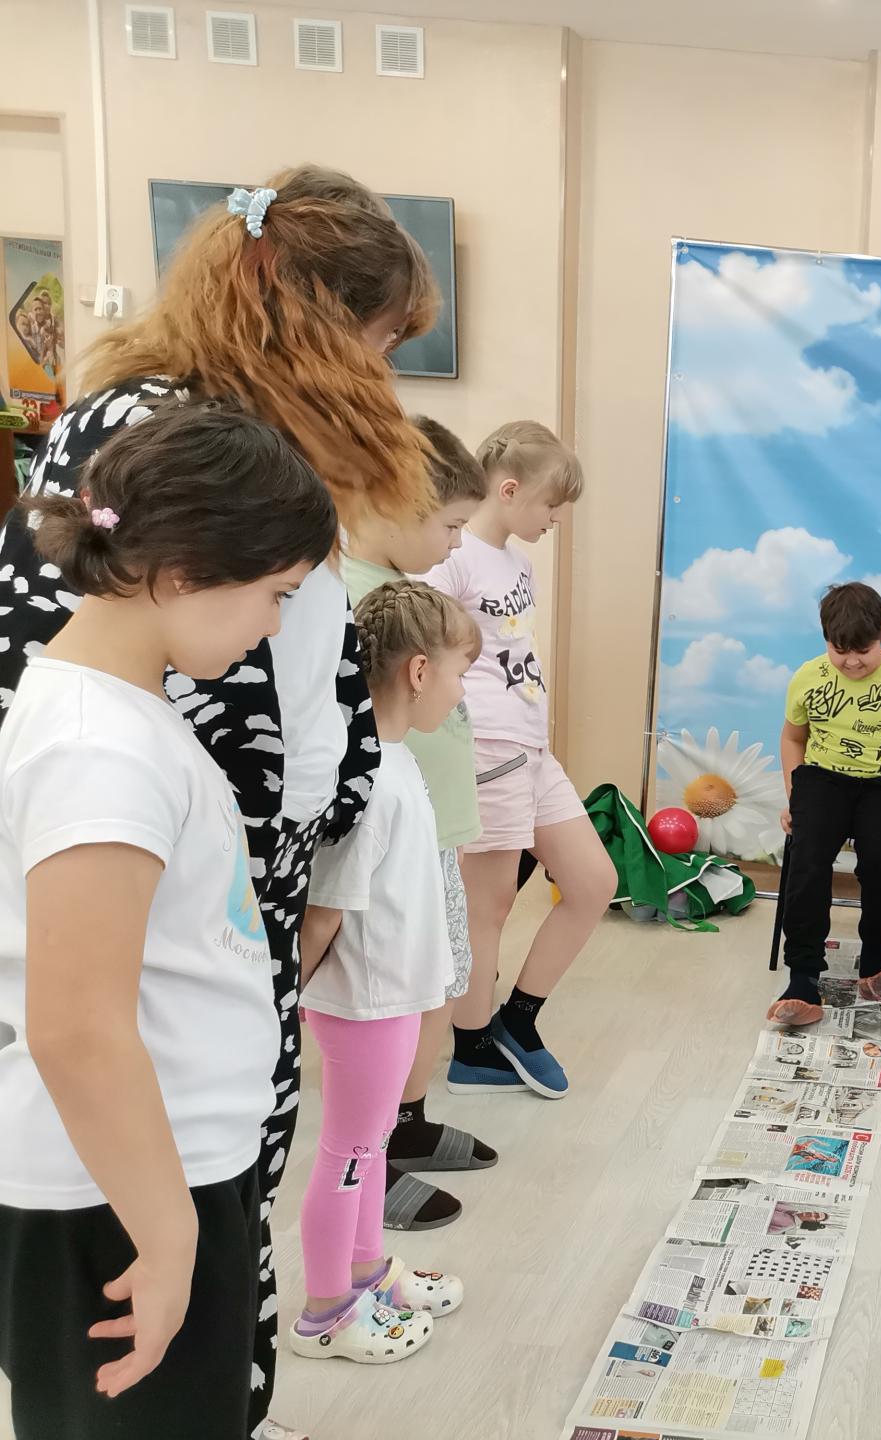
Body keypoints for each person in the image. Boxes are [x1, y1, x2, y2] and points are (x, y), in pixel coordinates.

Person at [0, 163, 436, 1440]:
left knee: (209, 1261)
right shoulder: (107, 728)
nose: (383, 369)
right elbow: (83, 1012)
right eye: (380, 337)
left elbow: (316, 694)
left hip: (217, 948)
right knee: (146, 1314)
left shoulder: (244, 465)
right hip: (149, 967)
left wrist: (319, 867)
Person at [0, 403, 336, 1438]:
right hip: (116, 1199)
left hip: (160, 1174)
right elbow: (76, 1028)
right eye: (275, 595)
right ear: (185, 571)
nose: (273, 628)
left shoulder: (126, 715)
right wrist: (167, 1235)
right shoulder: (98, 746)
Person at [291, 580, 480, 1365]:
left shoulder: (393, 759)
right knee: (349, 1151)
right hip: (363, 1000)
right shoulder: (365, 775)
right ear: (419, 672)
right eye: (460, 672)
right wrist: (283, 999)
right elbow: (324, 910)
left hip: (392, 994)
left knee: (370, 1147)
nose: (462, 691)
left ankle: (365, 1272)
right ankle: (325, 1310)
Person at [339, 417, 496, 1233]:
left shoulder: (394, 582)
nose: (453, 542)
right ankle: (380, 1153)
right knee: (401, 1000)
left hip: (431, 829)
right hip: (394, 838)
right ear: (400, 500)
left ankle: (408, 1120)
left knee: (438, 985)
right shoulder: (348, 589)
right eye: (449, 524)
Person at [427, 420, 616, 1098]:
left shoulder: (518, 562)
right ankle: (472, 1046)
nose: (556, 519)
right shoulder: (451, 560)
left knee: (593, 881)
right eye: (550, 505)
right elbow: (423, 656)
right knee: (490, 904)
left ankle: (517, 1019)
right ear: (509, 490)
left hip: (531, 748)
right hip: (484, 749)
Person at [770, 581, 881, 1025]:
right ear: (825, 639)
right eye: (840, 650)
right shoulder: (809, 676)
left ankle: (875, 952)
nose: (852, 661)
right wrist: (797, 798)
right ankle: (803, 977)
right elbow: (793, 739)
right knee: (808, 859)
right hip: (824, 777)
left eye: (863, 651)